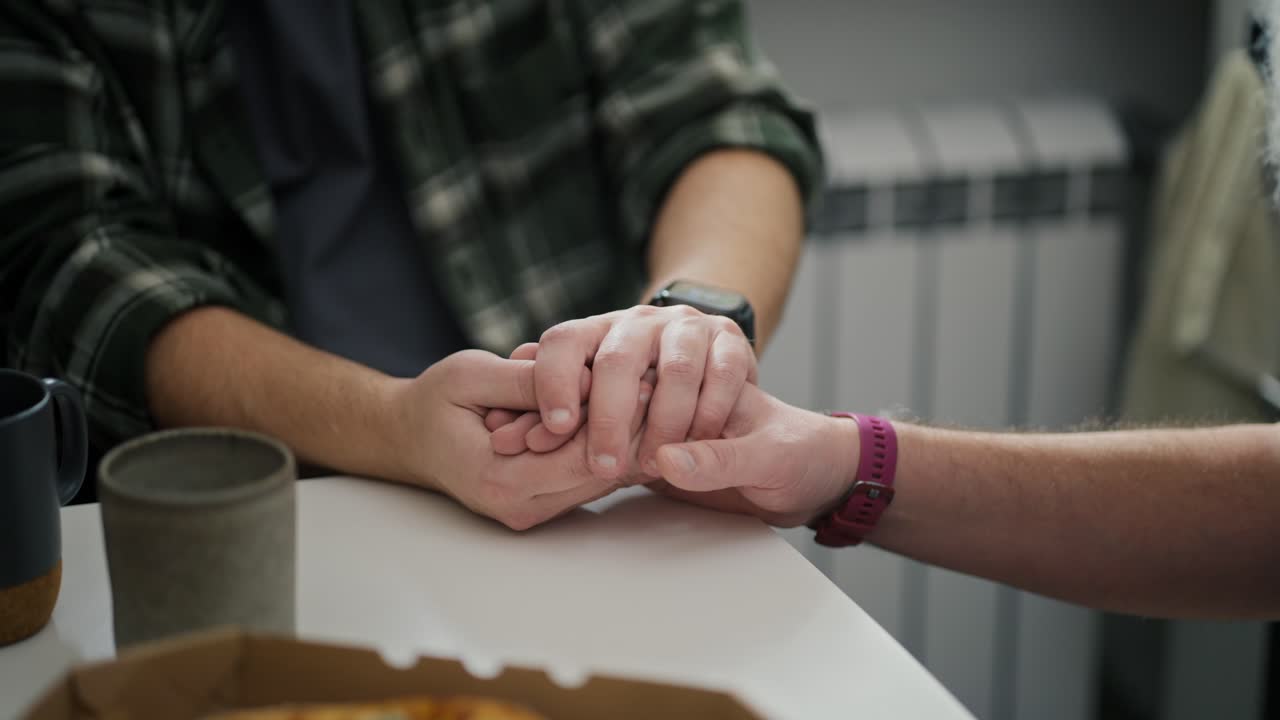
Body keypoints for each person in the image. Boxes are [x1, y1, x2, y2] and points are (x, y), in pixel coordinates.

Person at [0, 1, 821, 528]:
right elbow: (74, 262)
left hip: (596, 502)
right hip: (230, 510)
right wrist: (395, 425)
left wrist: (688, 322)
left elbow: (715, 110)